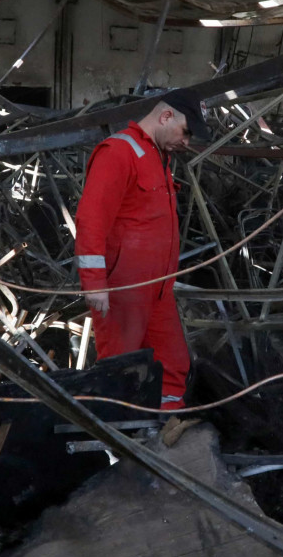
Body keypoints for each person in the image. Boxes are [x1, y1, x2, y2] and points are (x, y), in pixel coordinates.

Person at [74, 90, 210, 409]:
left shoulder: (156, 157)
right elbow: (91, 220)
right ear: (165, 116)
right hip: (125, 289)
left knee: (173, 365)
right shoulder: (118, 152)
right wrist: (94, 283)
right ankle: (117, 444)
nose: (187, 143)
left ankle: (163, 434)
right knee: (120, 371)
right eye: (186, 132)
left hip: (158, 289)